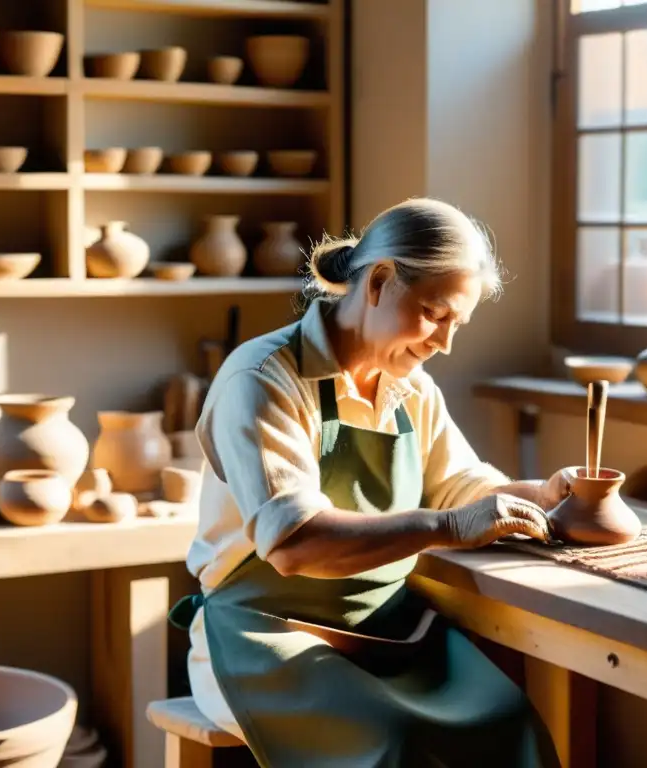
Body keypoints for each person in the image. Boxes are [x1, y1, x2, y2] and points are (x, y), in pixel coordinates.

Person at [169, 197, 569, 767]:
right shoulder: (263, 379)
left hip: (385, 628)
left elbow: (460, 484)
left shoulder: (414, 390)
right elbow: (296, 542)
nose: (445, 342)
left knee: (511, 724)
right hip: (264, 637)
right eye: (436, 313)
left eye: (458, 323)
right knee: (395, 745)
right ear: (379, 281)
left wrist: (548, 494)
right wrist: (449, 527)